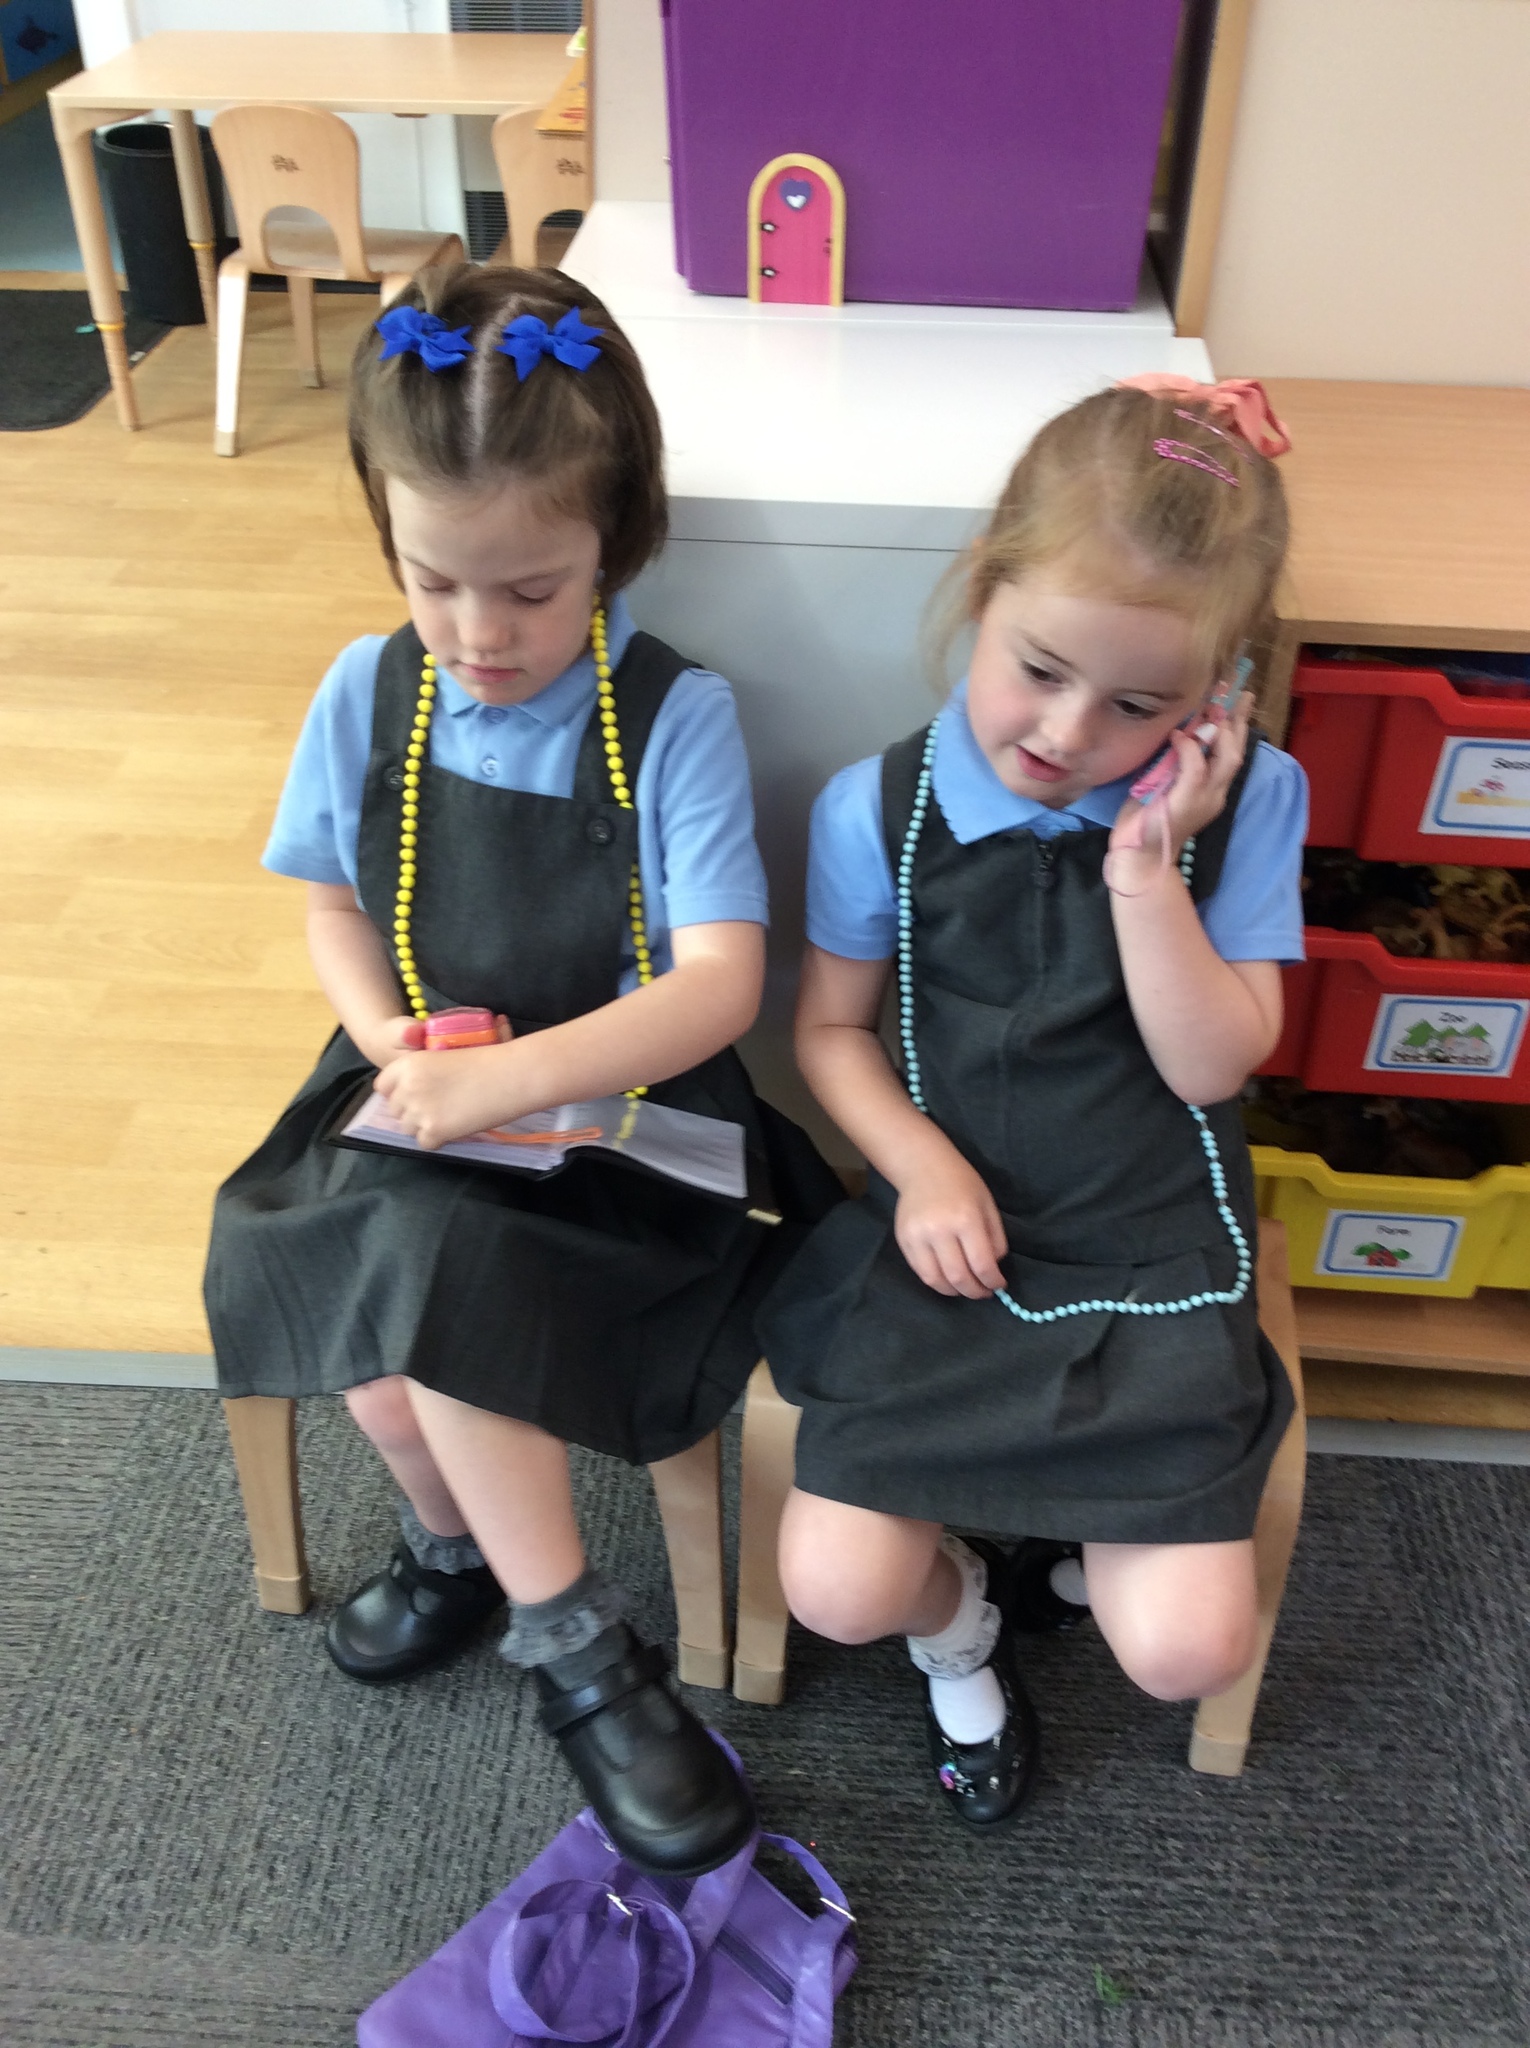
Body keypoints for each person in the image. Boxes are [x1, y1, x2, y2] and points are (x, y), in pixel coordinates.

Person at [204, 265, 840, 1877]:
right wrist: (384, 1040)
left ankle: (575, 1646)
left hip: (629, 1121)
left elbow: (718, 987)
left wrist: (507, 1086)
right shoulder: (365, 691)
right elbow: (331, 907)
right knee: (374, 1364)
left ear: (612, 546)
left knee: (428, 1303)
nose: (481, 635)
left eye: (532, 591)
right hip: (423, 1083)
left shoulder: (673, 715)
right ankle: (461, 1544)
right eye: (435, 584)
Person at [757, 377, 1307, 1830]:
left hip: (1151, 1244)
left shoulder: (1254, 801)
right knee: (836, 1591)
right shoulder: (874, 806)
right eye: (1040, 668)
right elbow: (829, 1031)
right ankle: (967, 1630)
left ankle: (1075, 1539)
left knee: (1186, 1649)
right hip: (953, 1235)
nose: (1067, 732)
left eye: (1140, 705)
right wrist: (920, 1166)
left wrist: (1146, 869)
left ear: (1217, 698)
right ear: (980, 590)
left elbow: (1210, 1066)